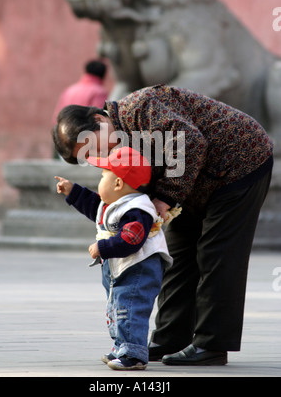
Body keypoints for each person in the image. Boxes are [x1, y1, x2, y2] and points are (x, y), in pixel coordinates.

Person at [52, 84, 274, 366]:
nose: (103, 152)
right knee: (179, 253)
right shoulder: (121, 140)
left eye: (95, 145)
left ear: (99, 119)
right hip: (196, 184)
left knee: (217, 255)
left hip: (240, 163)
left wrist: (165, 198)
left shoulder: (140, 108)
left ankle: (212, 343)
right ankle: (171, 337)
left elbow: (190, 141)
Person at [55, 146, 173, 370]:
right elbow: (93, 206)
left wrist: (103, 247)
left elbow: (131, 239)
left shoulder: (138, 209)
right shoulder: (114, 204)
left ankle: (134, 354)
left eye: (102, 177)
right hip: (122, 267)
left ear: (118, 184)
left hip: (139, 269)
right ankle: (122, 346)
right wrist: (72, 191)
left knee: (130, 307)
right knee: (118, 306)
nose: (99, 182)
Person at [52, 59, 108, 123]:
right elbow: (98, 118)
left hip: (65, 129)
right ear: (103, 75)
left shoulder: (70, 89)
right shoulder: (99, 92)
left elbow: (57, 116)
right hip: (83, 131)